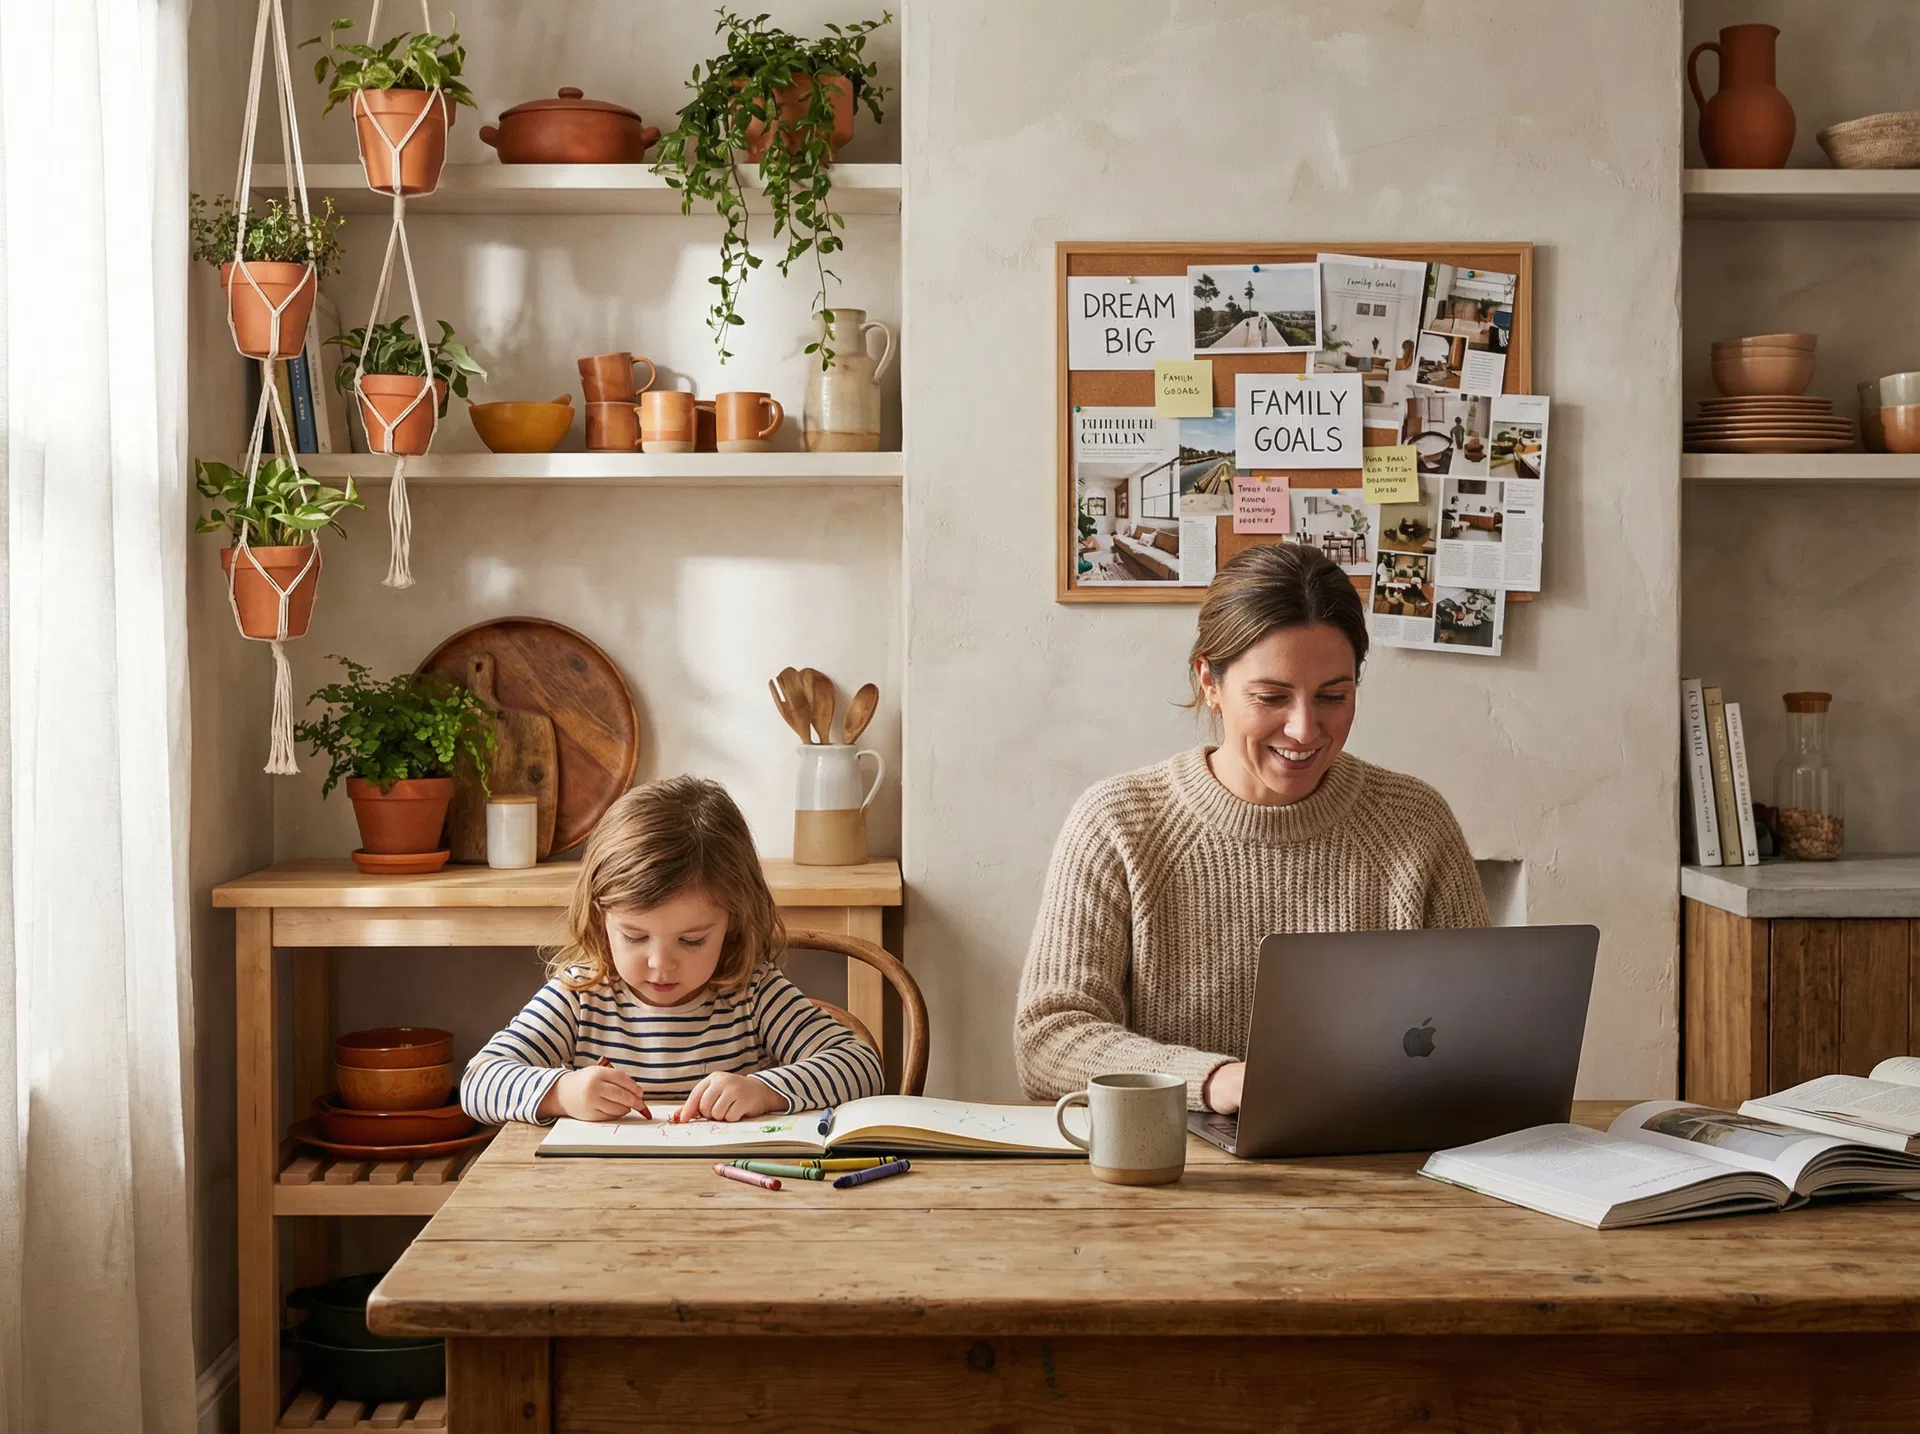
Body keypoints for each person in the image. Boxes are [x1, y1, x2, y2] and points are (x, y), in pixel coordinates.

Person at [1014, 543, 1487, 1116]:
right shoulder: (1118, 823)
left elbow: (1477, 1037)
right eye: (1271, 697)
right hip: (1176, 1173)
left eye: (1333, 696)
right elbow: (1048, 1040)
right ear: (1210, 681)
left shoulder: (1415, 823)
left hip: (1377, 1167)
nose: (1304, 729)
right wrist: (1212, 1081)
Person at [460, 777, 882, 1125]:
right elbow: (478, 1082)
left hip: (733, 1200)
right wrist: (562, 1092)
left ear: (733, 918)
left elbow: (861, 1067)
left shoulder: (753, 992)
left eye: (692, 940)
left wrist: (765, 1090)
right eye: (634, 936)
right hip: (597, 1205)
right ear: (599, 914)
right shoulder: (580, 995)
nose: (660, 963)